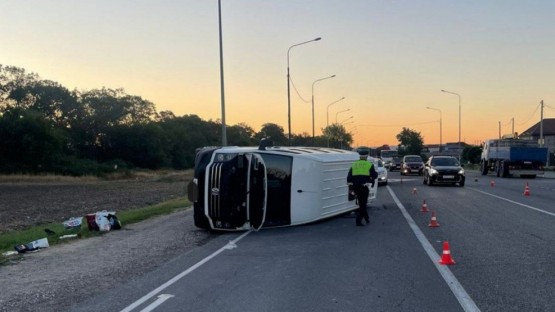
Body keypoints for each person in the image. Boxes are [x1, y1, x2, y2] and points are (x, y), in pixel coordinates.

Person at [347, 150, 378, 226]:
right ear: (367, 156)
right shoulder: (369, 165)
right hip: (364, 187)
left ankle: (366, 218)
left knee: (362, 203)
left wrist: (351, 188)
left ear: (360, 156)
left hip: (355, 187)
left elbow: (349, 177)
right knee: (363, 204)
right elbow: (374, 175)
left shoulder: (354, 164)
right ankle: (358, 221)